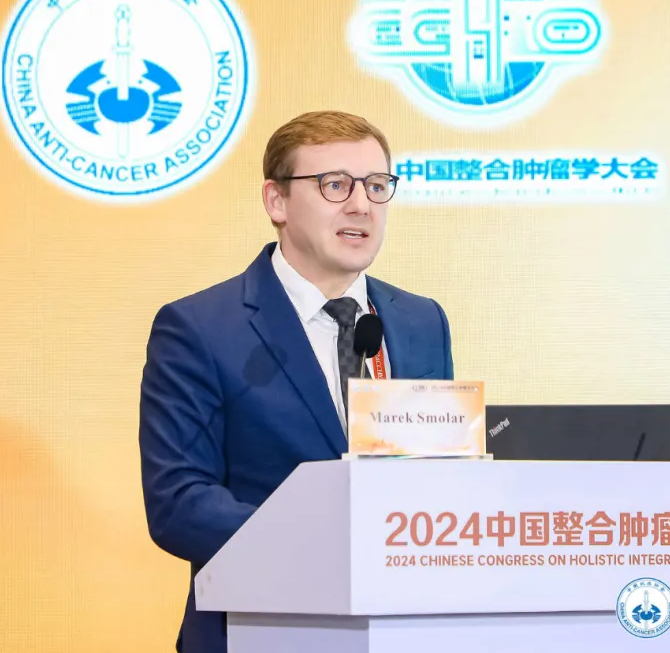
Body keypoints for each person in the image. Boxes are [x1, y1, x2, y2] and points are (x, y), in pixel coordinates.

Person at [138, 110, 455, 652]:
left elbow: (440, 475)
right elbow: (179, 502)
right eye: (335, 185)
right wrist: (332, 544)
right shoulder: (201, 327)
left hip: (403, 630)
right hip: (260, 629)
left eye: (377, 186)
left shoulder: (422, 321)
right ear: (276, 201)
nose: (362, 205)